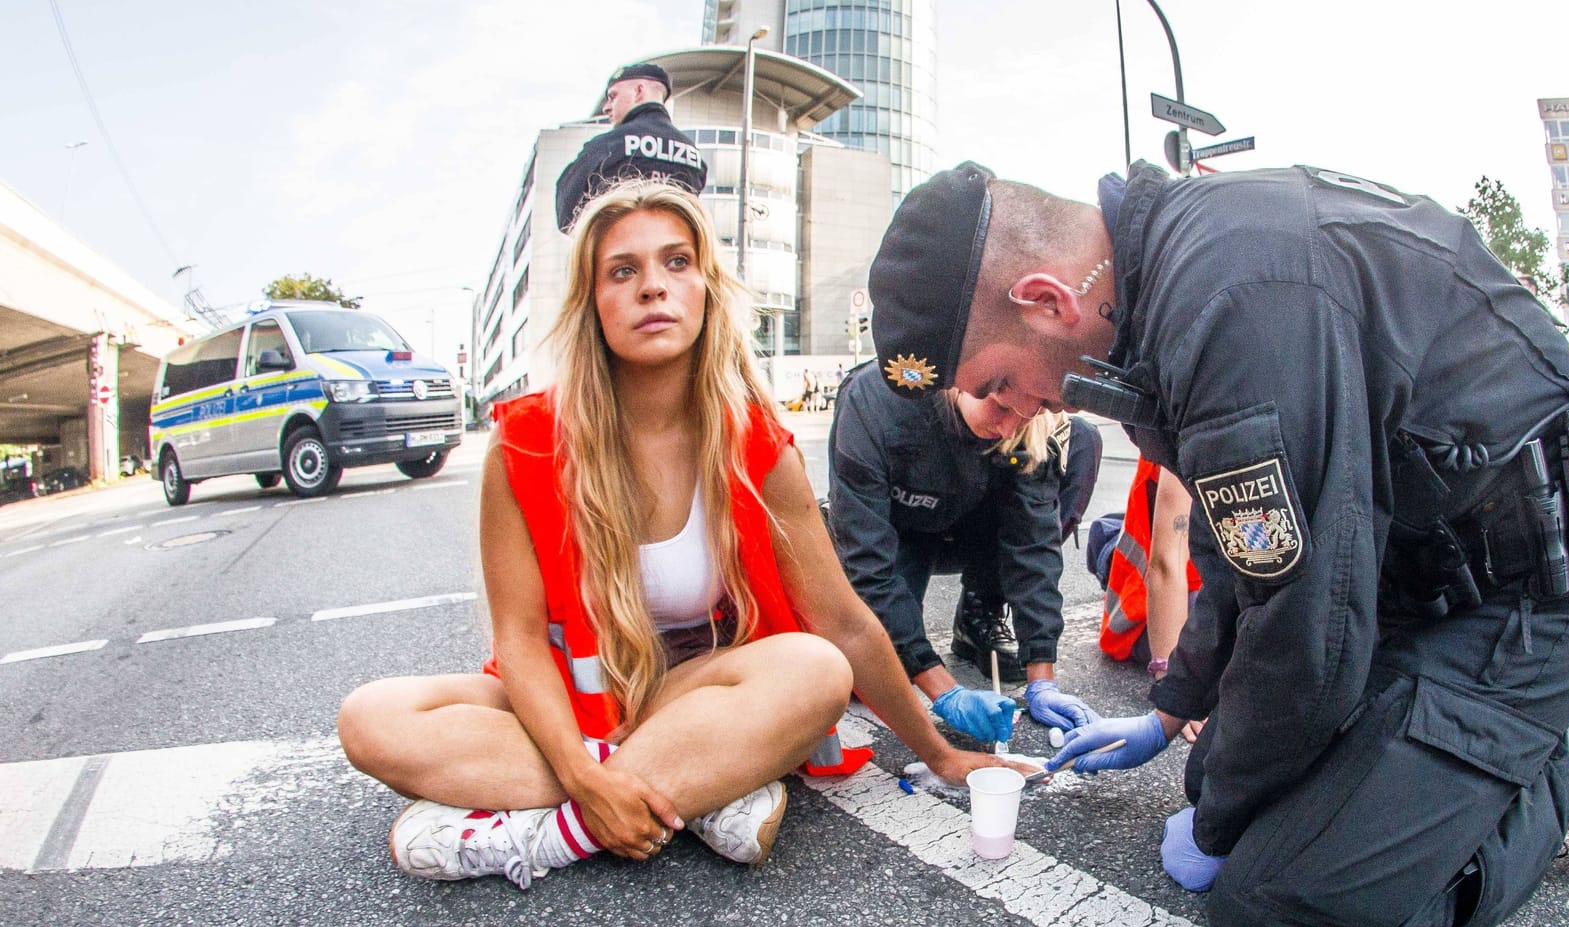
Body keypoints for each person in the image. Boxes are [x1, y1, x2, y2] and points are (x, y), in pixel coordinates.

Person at [866, 161, 1569, 927]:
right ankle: (1454, 761)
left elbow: (1311, 631)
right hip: (1422, 578)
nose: (1022, 411)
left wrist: (1217, 828)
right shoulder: (1172, 280)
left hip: (1529, 600)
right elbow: (1238, 549)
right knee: (1222, 778)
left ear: (1045, 300)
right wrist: (1170, 714)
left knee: (1273, 910)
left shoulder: (1229, 301)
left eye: (1001, 380)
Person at [336, 182, 1011, 889]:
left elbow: (843, 624)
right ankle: (698, 790)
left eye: (677, 263)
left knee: (814, 670)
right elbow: (520, 639)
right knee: (372, 718)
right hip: (571, 705)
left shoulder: (756, 445)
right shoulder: (526, 443)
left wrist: (939, 754)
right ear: (592, 304)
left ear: (707, 290)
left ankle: (545, 835)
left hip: (690, 695)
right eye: (622, 271)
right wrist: (577, 768)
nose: (653, 287)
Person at [826, 361, 1103, 741]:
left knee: (1084, 439)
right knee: (872, 673)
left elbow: (1033, 545)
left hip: (971, 524)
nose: (1008, 428)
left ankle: (980, 609)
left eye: (1026, 415)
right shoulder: (877, 398)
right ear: (963, 377)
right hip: (900, 528)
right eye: (1002, 408)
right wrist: (944, 690)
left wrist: (1043, 676)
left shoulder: (1027, 425)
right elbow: (868, 562)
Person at [1089, 459, 1206, 743]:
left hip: (1195, 578)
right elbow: (1167, 564)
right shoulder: (1190, 438)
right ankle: (1105, 545)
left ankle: (1108, 540)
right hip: (1141, 604)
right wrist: (1173, 684)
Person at [554, 63, 707, 232]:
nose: (606, 107)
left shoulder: (606, 146)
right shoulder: (694, 157)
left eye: (613, 96)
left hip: (620, 249)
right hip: (673, 252)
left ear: (639, 91)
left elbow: (567, 217)